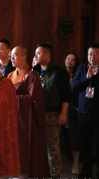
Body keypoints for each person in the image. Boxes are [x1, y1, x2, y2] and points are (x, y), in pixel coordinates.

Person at [8, 46, 49, 177]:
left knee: (28, 152)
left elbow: (34, 98)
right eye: (11, 56)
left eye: (15, 55)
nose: (12, 58)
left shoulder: (32, 76)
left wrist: (13, 99)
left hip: (28, 121)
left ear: (24, 56)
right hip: (13, 120)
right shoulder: (10, 75)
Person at [33, 43, 71, 177]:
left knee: (52, 148)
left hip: (52, 114)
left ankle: (56, 175)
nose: (36, 56)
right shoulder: (34, 71)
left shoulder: (59, 72)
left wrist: (64, 113)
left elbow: (66, 95)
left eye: (40, 53)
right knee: (38, 148)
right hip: (36, 114)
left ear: (48, 55)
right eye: (36, 53)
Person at [72, 43, 99, 178]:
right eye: (90, 54)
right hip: (83, 113)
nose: (92, 57)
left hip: (98, 114)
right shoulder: (82, 68)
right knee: (84, 143)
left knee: (96, 144)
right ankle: (85, 172)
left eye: (95, 54)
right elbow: (74, 86)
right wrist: (86, 78)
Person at [63, 52, 80, 174]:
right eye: (68, 59)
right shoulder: (60, 74)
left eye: (73, 60)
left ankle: (76, 163)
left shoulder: (78, 75)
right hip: (60, 110)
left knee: (74, 137)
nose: (70, 61)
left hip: (74, 110)